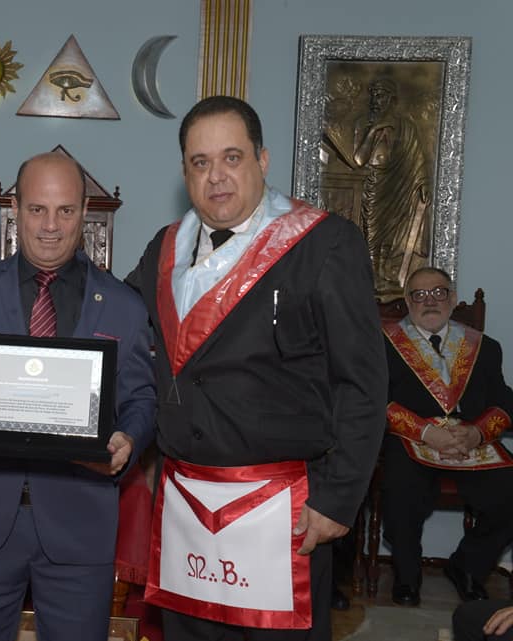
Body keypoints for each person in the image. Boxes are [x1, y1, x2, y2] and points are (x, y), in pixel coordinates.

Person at [125, 95, 387, 641]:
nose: (216, 176)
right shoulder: (164, 249)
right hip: (187, 508)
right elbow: (119, 328)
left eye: (232, 157)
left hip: (283, 512)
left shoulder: (324, 244)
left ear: (262, 161)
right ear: (184, 173)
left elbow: (361, 383)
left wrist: (338, 499)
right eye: (200, 162)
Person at [0, 152, 156, 641]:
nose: (50, 226)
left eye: (65, 210)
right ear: (15, 209)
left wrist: (129, 438)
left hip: (80, 524)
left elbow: (141, 398)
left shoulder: (124, 305)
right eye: (37, 209)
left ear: (84, 212)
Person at [382, 267, 513, 606]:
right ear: (408, 302)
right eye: (419, 295)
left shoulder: (485, 347)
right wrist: (426, 432)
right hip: (410, 440)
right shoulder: (381, 345)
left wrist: (477, 433)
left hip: (470, 443)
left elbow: (503, 401)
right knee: (399, 489)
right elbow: (373, 402)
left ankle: (468, 567)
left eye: (439, 292)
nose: (430, 301)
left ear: (453, 299)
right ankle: (407, 576)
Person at [352, 77, 431, 294]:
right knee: (372, 230)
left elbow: (417, 156)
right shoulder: (363, 123)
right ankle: (370, 274)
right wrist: (373, 131)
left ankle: (383, 272)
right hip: (376, 182)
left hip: (399, 184)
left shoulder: (406, 127)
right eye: (373, 96)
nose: (375, 101)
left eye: (380, 96)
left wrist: (423, 182)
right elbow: (358, 160)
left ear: (391, 99)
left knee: (391, 230)